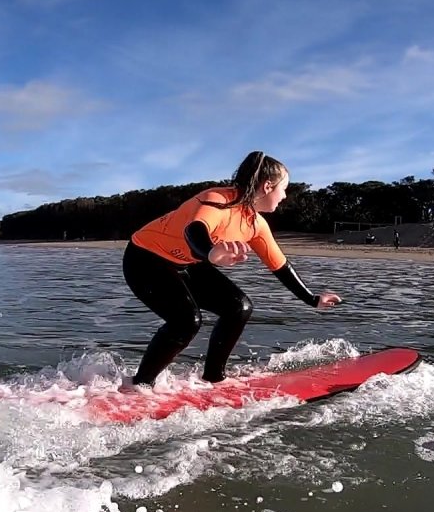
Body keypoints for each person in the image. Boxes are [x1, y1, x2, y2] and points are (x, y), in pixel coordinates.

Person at [122, 150, 341, 386]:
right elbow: (194, 229)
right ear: (268, 186)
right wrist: (210, 252)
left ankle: (213, 377)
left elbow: (280, 266)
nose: (285, 195)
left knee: (239, 307)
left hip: (187, 262)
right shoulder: (216, 199)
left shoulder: (255, 224)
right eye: (284, 188)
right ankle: (140, 385)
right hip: (144, 258)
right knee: (186, 321)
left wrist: (312, 299)